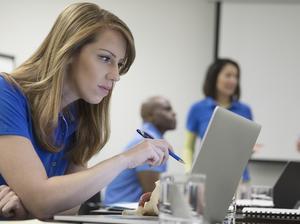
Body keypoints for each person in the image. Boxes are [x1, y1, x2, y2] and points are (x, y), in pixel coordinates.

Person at [0, 3, 172, 220]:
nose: (115, 75)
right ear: (69, 50)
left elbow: (70, 206)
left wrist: (32, 205)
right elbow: (43, 201)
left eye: (119, 64)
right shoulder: (5, 93)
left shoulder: (78, 115)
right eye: (105, 58)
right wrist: (126, 159)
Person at [183, 58, 253, 182]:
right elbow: (188, 147)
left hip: (240, 180)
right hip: (205, 180)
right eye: (228, 75)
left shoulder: (245, 110)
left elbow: (246, 149)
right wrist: (189, 171)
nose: (233, 80)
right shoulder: (197, 109)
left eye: (236, 76)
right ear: (214, 77)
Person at [104, 96, 176, 204]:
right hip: (118, 212)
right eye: (167, 109)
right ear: (151, 116)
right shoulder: (149, 143)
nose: (174, 113)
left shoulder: (152, 139)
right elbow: (152, 192)